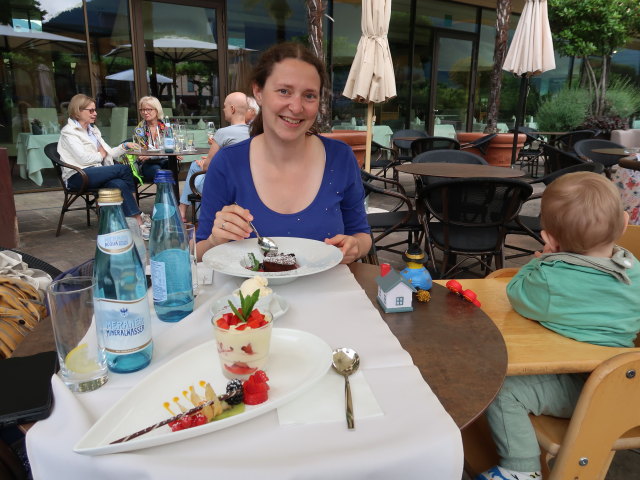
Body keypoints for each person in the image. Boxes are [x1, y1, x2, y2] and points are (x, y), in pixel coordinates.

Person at [476, 172, 640, 480]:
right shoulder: (635, 272)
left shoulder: (550, 279)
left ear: (549, 238)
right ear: (624, 223)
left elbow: (516, 294)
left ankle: (521, 469)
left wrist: (540, 262)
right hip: (624, 385)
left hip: (584, 389)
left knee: (502, 389)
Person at [195, 42, 371, 264]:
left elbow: (362, 235)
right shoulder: (228, 163)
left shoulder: (341, 157)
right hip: (251, 297)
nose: (296, 107)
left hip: (327, 294)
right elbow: (199, 252)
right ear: (258, 92)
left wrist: (355, 246)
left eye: (309, 96)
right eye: (284, 91)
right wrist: (213, 241)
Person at [57, 94, 147, 236]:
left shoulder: (93, 130)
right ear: (78, 111)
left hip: (96, 172)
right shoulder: (69, 133)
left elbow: (109, 152)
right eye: (91, 110)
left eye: (95, 110)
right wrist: (101, 155)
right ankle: (138, 214)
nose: (95, 113)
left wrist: (124, 146)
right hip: (78, 176)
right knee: (123, 169)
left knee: (118, 182)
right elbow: (84, 158)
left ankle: (135, 222)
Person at [178, 91, 250, 222]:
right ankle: (186, 211)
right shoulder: (253, 132)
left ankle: (183, 211)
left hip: (223, 187)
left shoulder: (223, 133)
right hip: (245, 184)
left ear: (232, 109)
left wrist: (204, 164)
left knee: (196, 165)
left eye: (224, 106)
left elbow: (207, 167)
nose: (223, 109)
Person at [132, 96, 170, 182]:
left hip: (165, 160)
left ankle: (170, 194)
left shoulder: (167, 127)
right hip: (147, 164)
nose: (145, 112)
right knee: (159, 172)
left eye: (149, 109)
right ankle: (165, 194)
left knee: (171, 166)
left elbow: (172, 148)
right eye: (142, 110)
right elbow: (142, 154)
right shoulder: (139, 129)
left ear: (157, 110)